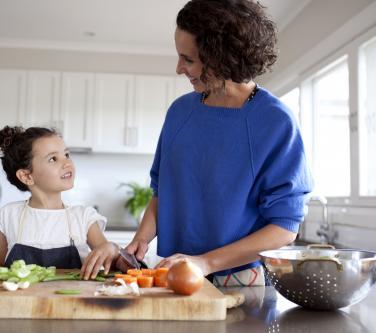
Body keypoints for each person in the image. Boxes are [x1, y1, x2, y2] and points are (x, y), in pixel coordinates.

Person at [125, 0, 312, 287]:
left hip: (238, 279)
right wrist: (141, 238)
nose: (178, 68)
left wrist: (205, 262)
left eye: (188, 59)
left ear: (222, 58)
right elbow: (162, 191)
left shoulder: (275, 123)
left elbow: (284, 227)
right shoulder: (179, 112)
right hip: (173, 272)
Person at [0, 126, 119, 285]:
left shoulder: (83, 217)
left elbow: (111, 258)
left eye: (66, 155)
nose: (67, 163)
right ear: (26, 176)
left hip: (71, 305)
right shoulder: (9, 215)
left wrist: (112, 249)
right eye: (53, 159)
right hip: (19, 306)